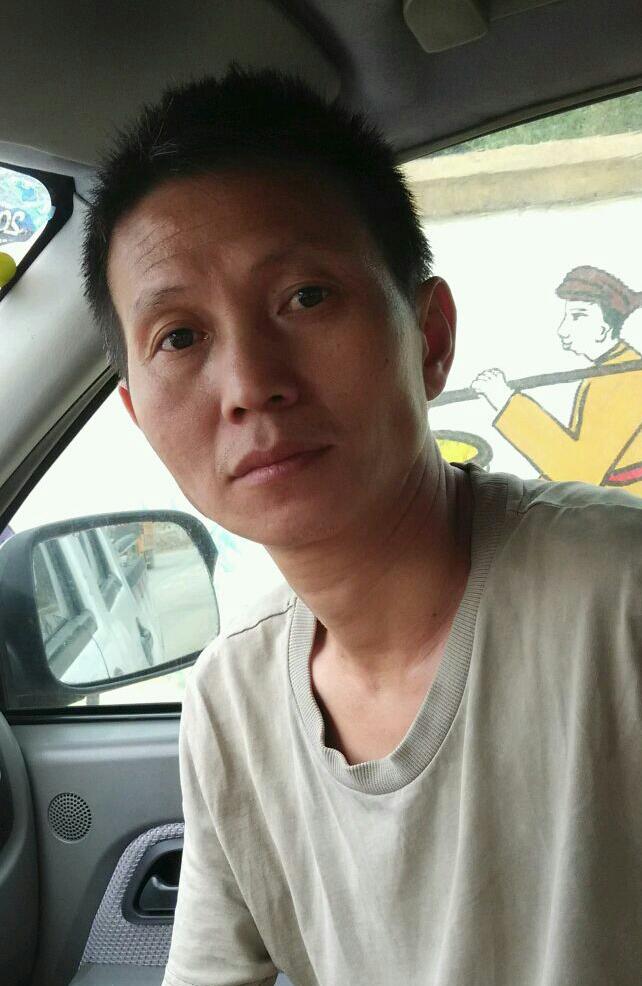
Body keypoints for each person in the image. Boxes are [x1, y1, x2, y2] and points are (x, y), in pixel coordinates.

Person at [82, 69, 642, 986]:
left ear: (430, 337)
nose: (250, 384)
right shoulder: (231, 700)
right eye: (179, 337)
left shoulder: (618, 599)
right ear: (140, 418)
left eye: (305, 297)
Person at [472, 266, 642, 495]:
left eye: (578, 316)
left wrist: (506, 400)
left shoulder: (624, 380)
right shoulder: (611, 370)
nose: (563, 330)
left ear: (604, 329)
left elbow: (578, 470)